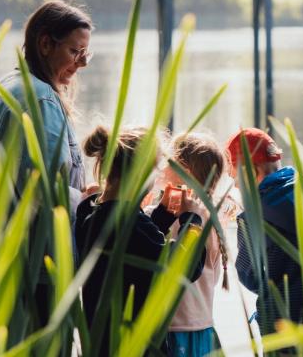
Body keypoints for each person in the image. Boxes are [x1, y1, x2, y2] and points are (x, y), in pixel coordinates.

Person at [0, 0, 92, 336]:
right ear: (45, 44)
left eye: (86, 54)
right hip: (32, 267)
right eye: (75, 51)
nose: (82, 63)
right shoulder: (39, 98)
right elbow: (45, 191)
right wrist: (92, 200)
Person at [76, 125, 207, 357]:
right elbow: (184, 266)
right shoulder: (130, 223)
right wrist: (192, 220)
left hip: (101, 343)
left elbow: (139, 252)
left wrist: (162, 217)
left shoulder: (90, 214)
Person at [230, 127, 303, 335]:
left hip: (281, 328)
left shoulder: (253, 217)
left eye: (236, 180)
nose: (236, 188)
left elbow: (249, 276)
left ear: (251, 173)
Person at [157, 132, 234, 357]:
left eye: (167, 162)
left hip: (176, 326)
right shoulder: (213, 216)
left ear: (184, 173)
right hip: (203, 325)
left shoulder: (187, 219)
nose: (161, 168)